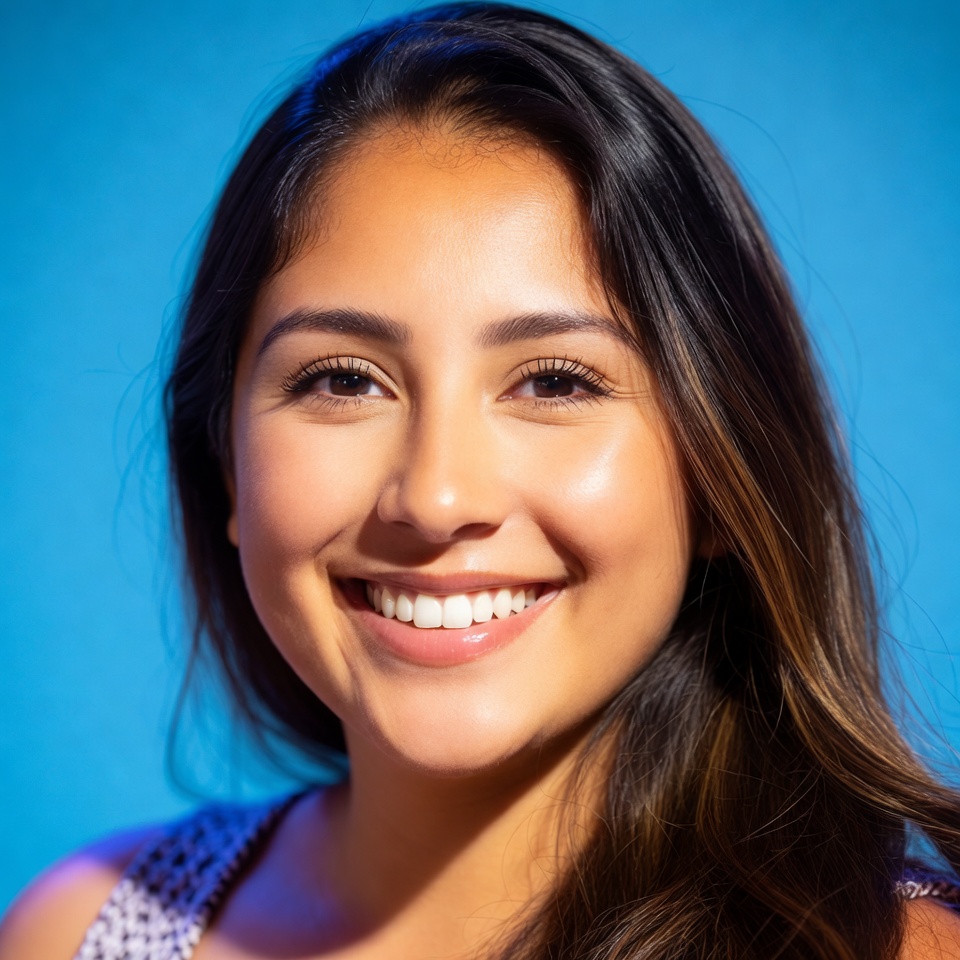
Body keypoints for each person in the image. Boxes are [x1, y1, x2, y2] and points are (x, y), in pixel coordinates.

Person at [2, 4, 959, 958]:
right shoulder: (78, 931)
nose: (437, 497)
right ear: (227, 469)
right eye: (342, 380)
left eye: (554, 381)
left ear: (719, 470)